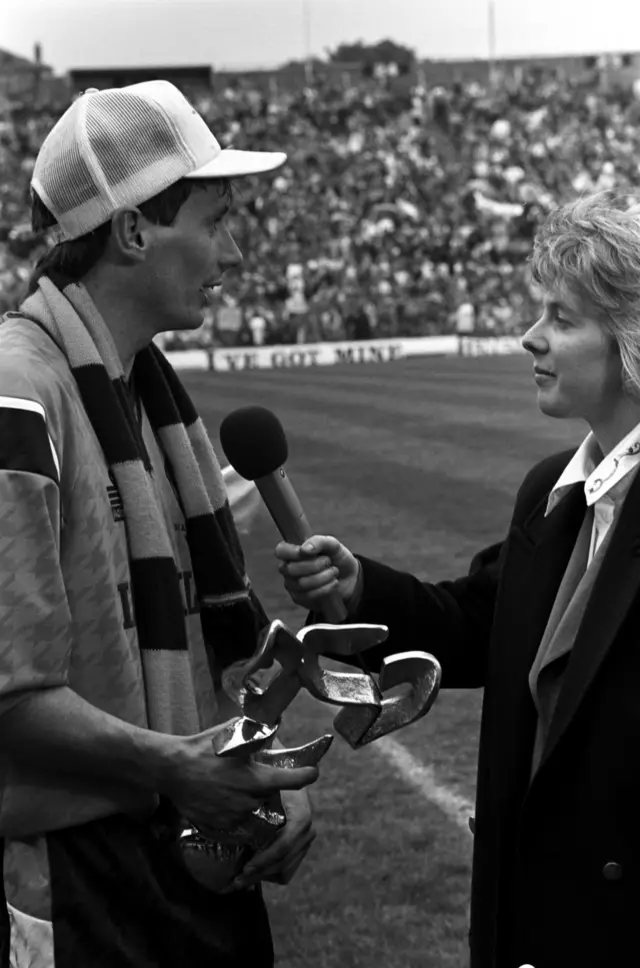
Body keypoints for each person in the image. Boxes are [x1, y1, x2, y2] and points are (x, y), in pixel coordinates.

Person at [0, 81, 320, 968]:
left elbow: (206, 637)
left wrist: (263, 773)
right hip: (81, 880)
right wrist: (182, 768)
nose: (238, 248)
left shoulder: (146, 393)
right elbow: (10, 698)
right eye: (216, 219)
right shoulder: (21, 390)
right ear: (134, 230)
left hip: (190, 850)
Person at [275, 193, 640, 968]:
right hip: (529, 917)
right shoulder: (555, 489)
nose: (529, 337)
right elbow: (482, 624)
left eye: (562, 318)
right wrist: (357, 595)